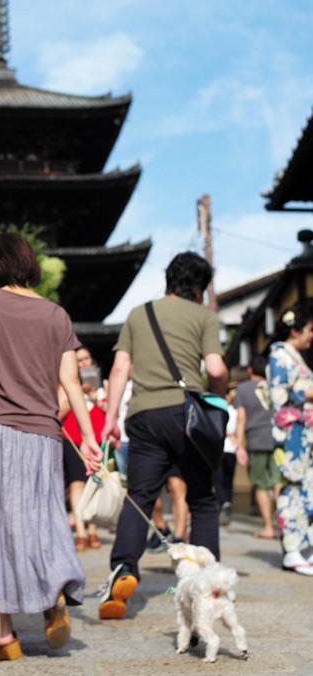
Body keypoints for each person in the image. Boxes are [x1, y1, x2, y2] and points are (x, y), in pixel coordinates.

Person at [0, 232, 101, 660]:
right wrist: (89, 438)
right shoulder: (57, 315)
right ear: (30, 264)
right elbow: (71, 383)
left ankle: (4, 634)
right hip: (45, 435)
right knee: (45, 517)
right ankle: (53, 585)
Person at [98, 251, 228, 619]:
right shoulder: (204, 316)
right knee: (202, 498)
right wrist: (219, 390)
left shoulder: (140, 313)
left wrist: (110, 418)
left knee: (139, 496)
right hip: (188, 416)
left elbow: (121, 366)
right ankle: (209, 583)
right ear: (200, 288)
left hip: (143, 415)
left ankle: (123, 569)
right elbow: (216, 368)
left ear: (170, 280)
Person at [267, 303, 313, 575]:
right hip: (291, 434)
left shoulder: (294, 355)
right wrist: (306, 393)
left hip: (303, 435)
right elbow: (279, 396)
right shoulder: (279, 354)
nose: (312, 336)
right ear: (295, 329)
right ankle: (293, 549)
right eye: (309, 330)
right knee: (291, 488)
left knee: (304, 488)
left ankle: (304, 548)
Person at [59, 347, 105, 550]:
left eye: (86, 358)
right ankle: (81, 532)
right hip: (73, 438)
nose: (84, 363)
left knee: (95, 483)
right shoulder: (66, 384)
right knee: (77, 483)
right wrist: (76, 394)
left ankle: (93, 531)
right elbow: (59, 412)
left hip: (98, 438)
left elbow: (111, 410)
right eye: (79, 360)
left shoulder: (102, 385)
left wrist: (94, 396)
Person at [233, 356, 282, 538]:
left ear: (251, 370)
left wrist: (239, 446)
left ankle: (269, 527)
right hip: (278, 439)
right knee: (278, 482)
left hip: (256, 440)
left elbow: (241, 418)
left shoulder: (243, 389)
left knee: (261, 485)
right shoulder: (274, 386)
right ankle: (285, 525)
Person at [213, 389, 238, 525]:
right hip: (231, 449)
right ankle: (227, 504)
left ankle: (224, 503)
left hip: (223, 449)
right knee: (227, 481)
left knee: (219, 480)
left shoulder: (218, 409)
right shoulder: (236, 411)